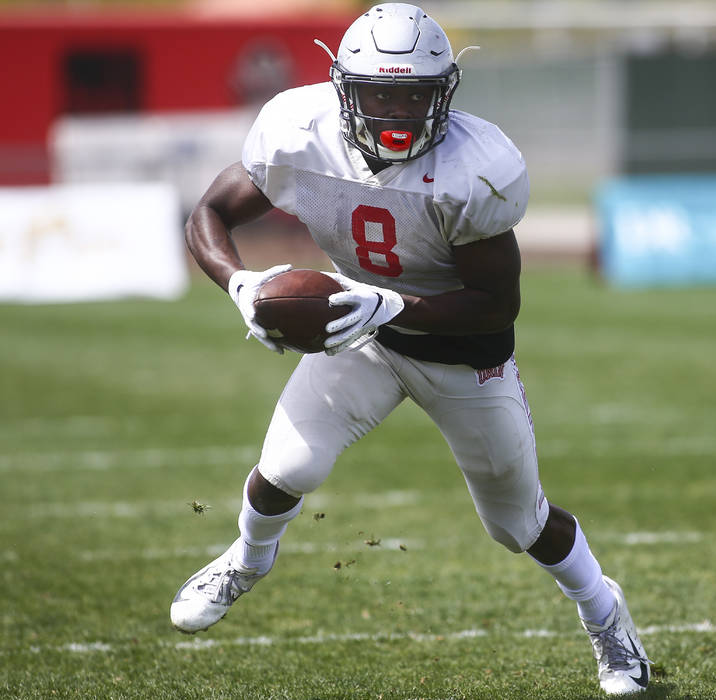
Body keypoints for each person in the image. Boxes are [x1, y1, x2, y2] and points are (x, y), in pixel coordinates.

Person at [169, 3, 651, 695]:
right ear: (344, 89)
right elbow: (208, 212)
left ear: (444, 92)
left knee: (517, 524)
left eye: (416, 93)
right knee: (289, 465)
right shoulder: (297, 131)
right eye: (379, 92)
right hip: (356, 331)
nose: (397, 108)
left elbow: (497, 302)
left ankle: (606, 616)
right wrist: (240, 283)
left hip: (461, 348)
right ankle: (247, 560)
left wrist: (389, 304)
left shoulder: (475, 166)